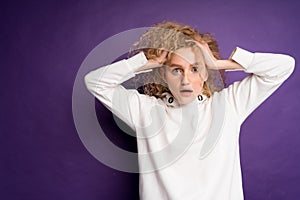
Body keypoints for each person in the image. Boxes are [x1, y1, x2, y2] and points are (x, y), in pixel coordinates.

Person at [84, 21, 295, 200]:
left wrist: (219, 63)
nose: (186, 79)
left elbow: (284, 66)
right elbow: (95, 82)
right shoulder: (144, 110)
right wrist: (147, 61)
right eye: (176, 70)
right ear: (164, 75)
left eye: (195, 68)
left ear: (205, 73)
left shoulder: (228, 105)